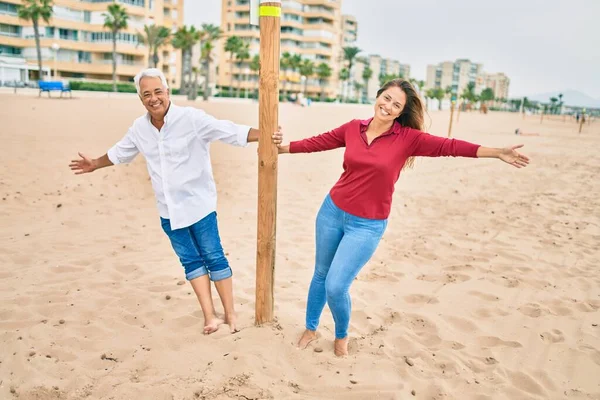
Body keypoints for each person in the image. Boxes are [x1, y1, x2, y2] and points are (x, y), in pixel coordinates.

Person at [276, 79, 530, 356]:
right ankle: (311, 328)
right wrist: (282, 149)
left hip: (367, 225)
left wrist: (496, 153)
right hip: (332, 211)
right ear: (377, 97)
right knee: (321, 274)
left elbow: (451, 146)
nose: (387, 106)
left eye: (396, 105)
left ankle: (341, 336)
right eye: (386, 98)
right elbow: (319, 142)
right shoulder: (353, 128)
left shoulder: (408, 139)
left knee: (336, 285)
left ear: (401, 113)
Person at [69, 68, 283, 335]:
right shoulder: (139, 128)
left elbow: (226, 131)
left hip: (199, 205)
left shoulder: (190, 119)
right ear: (140, 98)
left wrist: (265, 133)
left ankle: (230, 314)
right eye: (146, 94)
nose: (153, 98)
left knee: (214, 257)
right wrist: (94, 164)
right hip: (168, 211)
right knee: (191, 262)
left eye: (158, 91)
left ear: (167, 91)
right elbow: (119, 153)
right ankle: (210, 316)